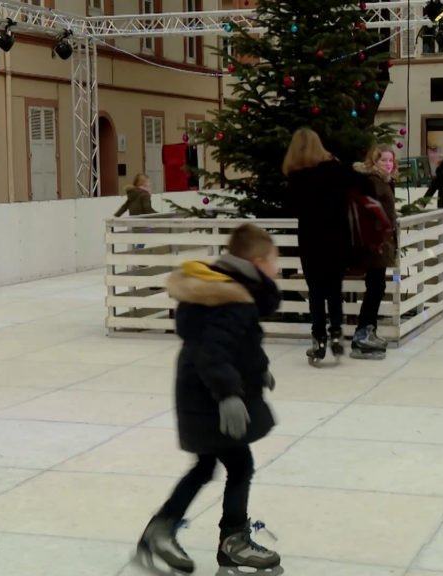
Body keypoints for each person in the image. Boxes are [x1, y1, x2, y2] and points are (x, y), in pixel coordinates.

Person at [135, 224, 282, 576]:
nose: (277, 269)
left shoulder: (226, 291)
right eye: (276, 261)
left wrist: (259, 369)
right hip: (211, 397)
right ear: (259, 262)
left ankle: (163, 530)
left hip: (201, 391)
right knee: (239, 466)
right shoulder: (230, 298)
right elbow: (212, 350)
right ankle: (233, 542)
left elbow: (242, 345)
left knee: (207, 466)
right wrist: (229, 394)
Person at [282, 127, 351, 365]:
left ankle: (319, 338)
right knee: (334, 288)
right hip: (338, 237)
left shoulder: (298, 176)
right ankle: (336, 335)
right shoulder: (337, 169)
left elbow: (290, 208)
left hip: (312, 238)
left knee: (316, 291)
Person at [350, 144, 399, 360]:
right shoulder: (373, 182)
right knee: (375, 287)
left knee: (377, 286)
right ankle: (362, 333)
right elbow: (369, 212)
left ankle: (369, 329)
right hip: (375, 243)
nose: (388, 164)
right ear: (374, 162)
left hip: (383, 242)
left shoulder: (385, 182)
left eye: (391, 160)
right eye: (383, 160)